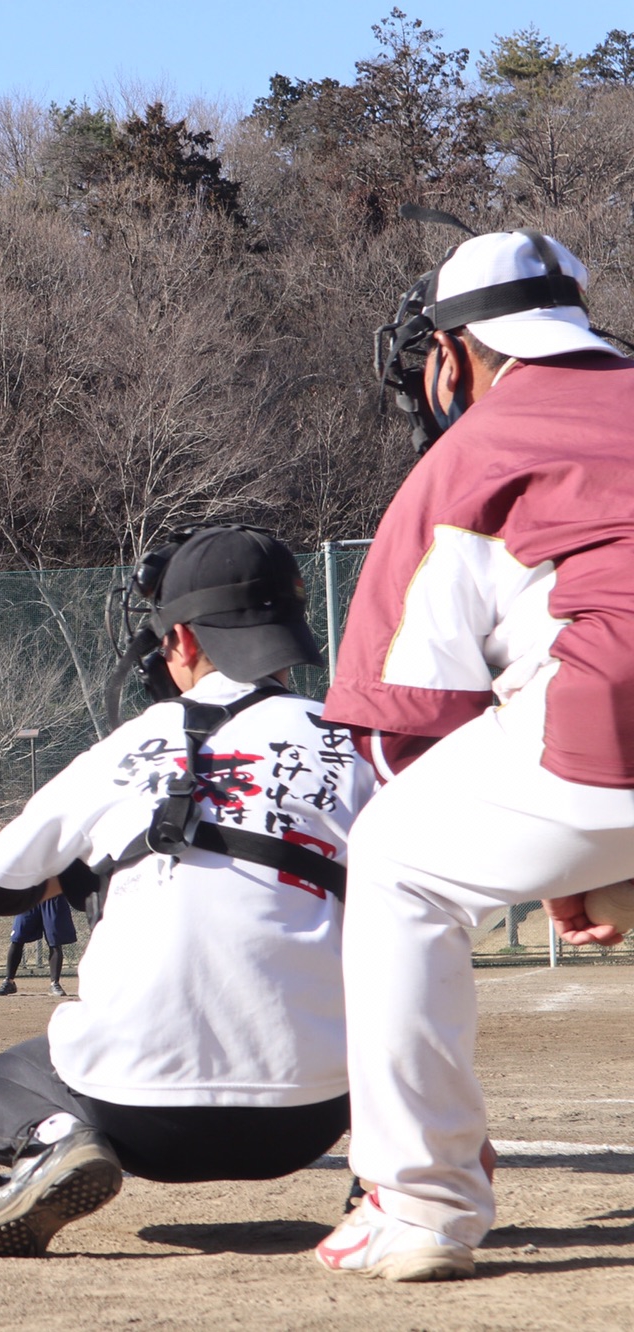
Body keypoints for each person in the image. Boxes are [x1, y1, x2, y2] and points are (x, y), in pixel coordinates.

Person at [313, 230, 634, 1282]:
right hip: (597, 743)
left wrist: (556, 851)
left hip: (600, 727)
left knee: (396, 860)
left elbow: (403, 714)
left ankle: (421, 1205)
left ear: (456, 351)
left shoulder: (470, 453)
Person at [0, 526, 374, 1258]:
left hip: (136, 1119)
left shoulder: (124, 747)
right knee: (398, 995)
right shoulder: (355, 742)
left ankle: (58, 1139)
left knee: (3, 1083)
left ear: (178, 638)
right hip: (308, 1117)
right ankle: (391, 1181)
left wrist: (96, 863)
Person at [0, 896, 74, 996]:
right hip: (30, 896)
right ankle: (9, 981)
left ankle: (55, 984)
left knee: (54, 941)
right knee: (17, 938)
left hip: (53, 896)